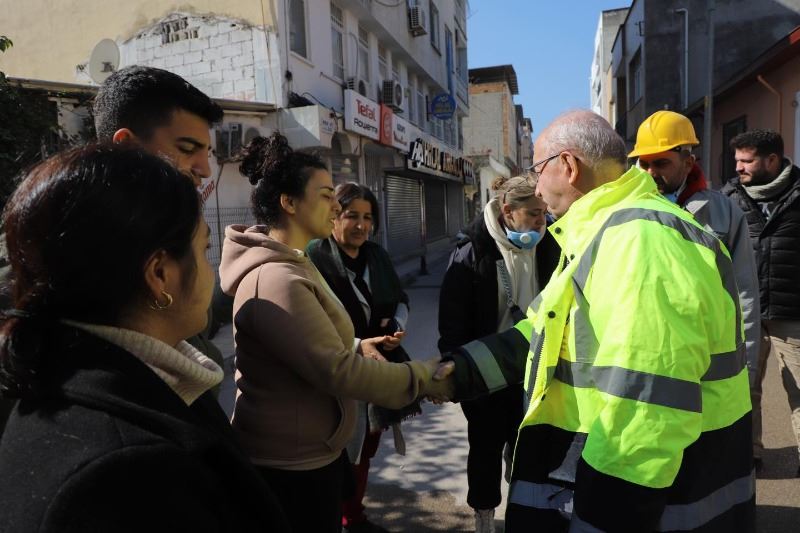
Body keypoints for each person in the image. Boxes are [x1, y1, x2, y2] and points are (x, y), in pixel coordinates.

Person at [432, 111, 754, 532]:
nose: (536, 186)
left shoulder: (638, 242)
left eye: (537, 170)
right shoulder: (609, 230)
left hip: (651, 503)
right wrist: (463, 370)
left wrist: (599, 522)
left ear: (568, 166)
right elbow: (549, 329)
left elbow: (642, 416)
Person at [0, 144, 289, 532]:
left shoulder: (62, 380)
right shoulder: (128, 473)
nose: (212, 271)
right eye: (205, 249)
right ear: (160, 275)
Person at [219, 133, 446, 533]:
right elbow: (336, 371)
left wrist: (358, 344)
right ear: (289, 203)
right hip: (290, 464)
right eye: (327, 196)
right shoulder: (277, 278)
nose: (337, 207)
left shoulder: (297, 264)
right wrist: (422, 376)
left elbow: (312, 342)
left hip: (313, 450)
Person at [437, 175, 560, 533]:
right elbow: (452, 322)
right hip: (486, 376)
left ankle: (521, 512)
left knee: (527, 454)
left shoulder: (551, 246)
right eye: (534, 214)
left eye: (544, 213)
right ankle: (484, 516)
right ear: (508, 212)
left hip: (533, 375)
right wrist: (461, 374)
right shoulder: (472, 251)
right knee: (485, 453)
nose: (541, 221)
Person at [93, 65, 225, 371]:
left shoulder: (176, 230)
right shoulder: (52, 259)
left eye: (207, 152)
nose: (205, 170)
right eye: (187, 149)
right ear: (126, 145)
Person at [629, 110, 761, 417]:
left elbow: (743, 294)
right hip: (647, 361)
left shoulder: (724, 213)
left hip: (707, 364)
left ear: (688, 163)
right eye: (644, 163)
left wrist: (748, 368)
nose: (650, 172)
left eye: (661, 163)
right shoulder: (625, 211)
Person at [307, 182, 419, 533]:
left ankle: (353, 517)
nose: (361, 225)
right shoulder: (315, 257)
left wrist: (396, 327)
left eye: (368, 217)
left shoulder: (377, 256)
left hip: (375, 370)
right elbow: (311, 320)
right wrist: (358, 343)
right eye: (351, 215)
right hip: (335, 371)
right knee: (335, 453)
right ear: (333, 216)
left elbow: (400, 300)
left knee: (365, 450)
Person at [723, 129, 800, 476]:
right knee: (744, 387)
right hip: (744, 312)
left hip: (792, 311)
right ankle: (748, 455)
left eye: (747, 160)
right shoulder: (727, 198)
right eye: (736, 160)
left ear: (772, 160)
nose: (738, 167)